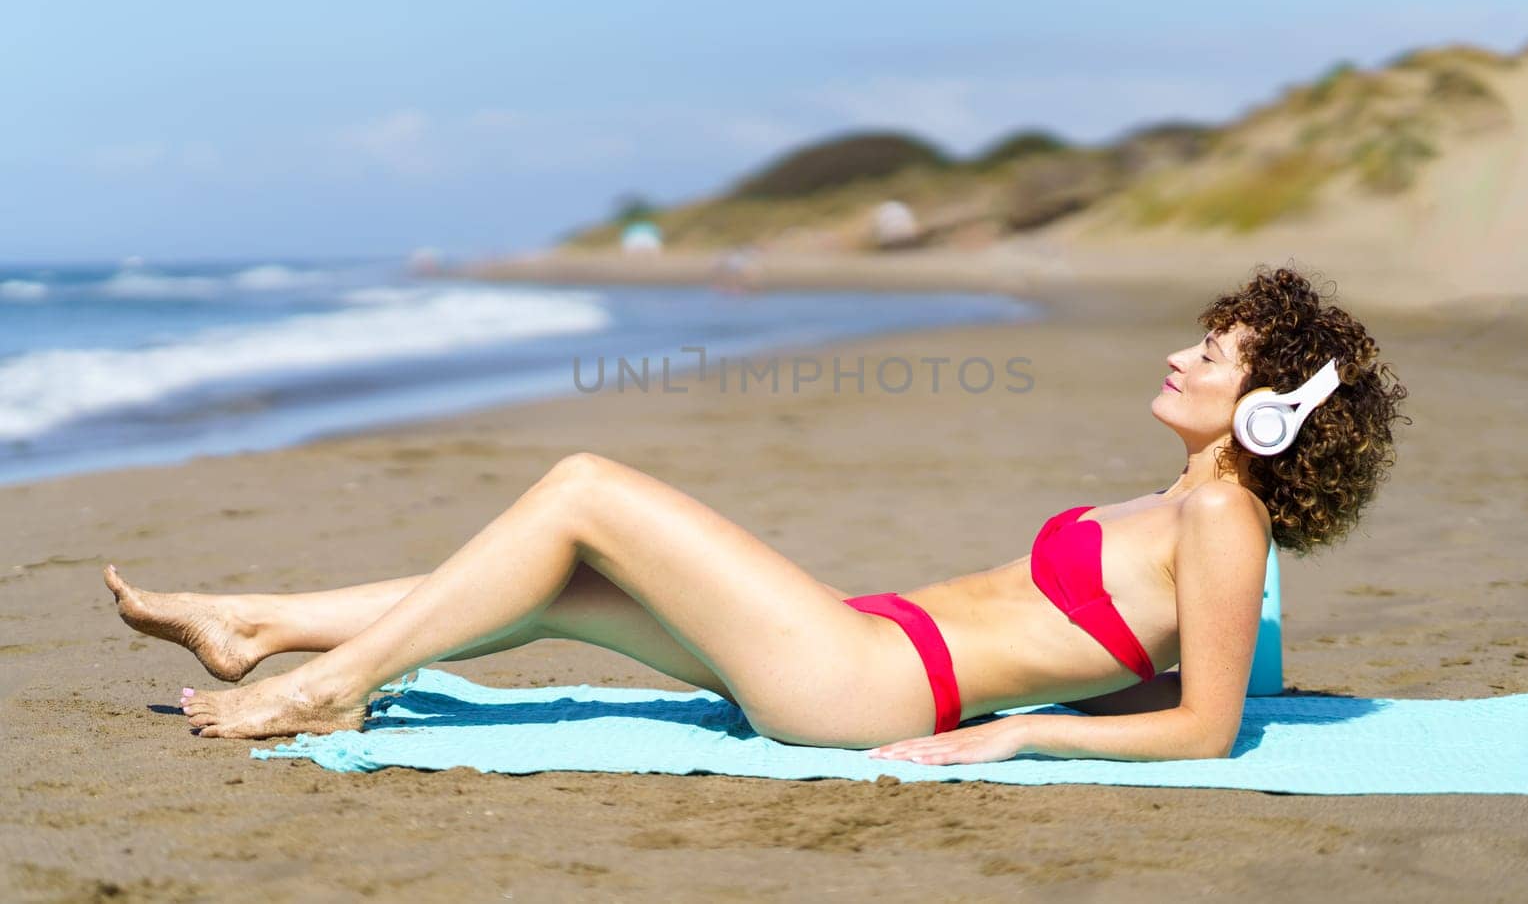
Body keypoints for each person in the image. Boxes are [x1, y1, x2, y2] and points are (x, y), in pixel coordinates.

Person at [102, 265, 1407, 763]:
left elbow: (1208, 726)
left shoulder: (1226, 526)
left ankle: (328, 687)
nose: (1184, 359)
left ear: (1274, 413)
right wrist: (1053, 702)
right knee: (560, 578)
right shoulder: (1179, 506)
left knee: (585, 489)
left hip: (866, 686)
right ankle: (255, 622)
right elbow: (1147, 665)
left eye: (1219, 357)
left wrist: (1013, 744)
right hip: (861, 643)